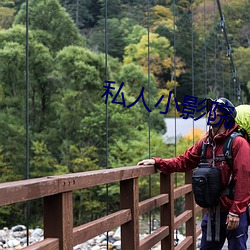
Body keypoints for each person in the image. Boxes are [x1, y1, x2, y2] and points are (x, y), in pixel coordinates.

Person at [137, 97, 250, 250]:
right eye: (210, 109)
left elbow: (244, 178)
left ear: (226, 117)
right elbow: (184, 161)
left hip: (233, 211)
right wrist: (158, 162)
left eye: (215, 110)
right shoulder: (205, 143)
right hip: (213, 211)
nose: (210, 113)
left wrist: (236, 212)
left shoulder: (238, 143)